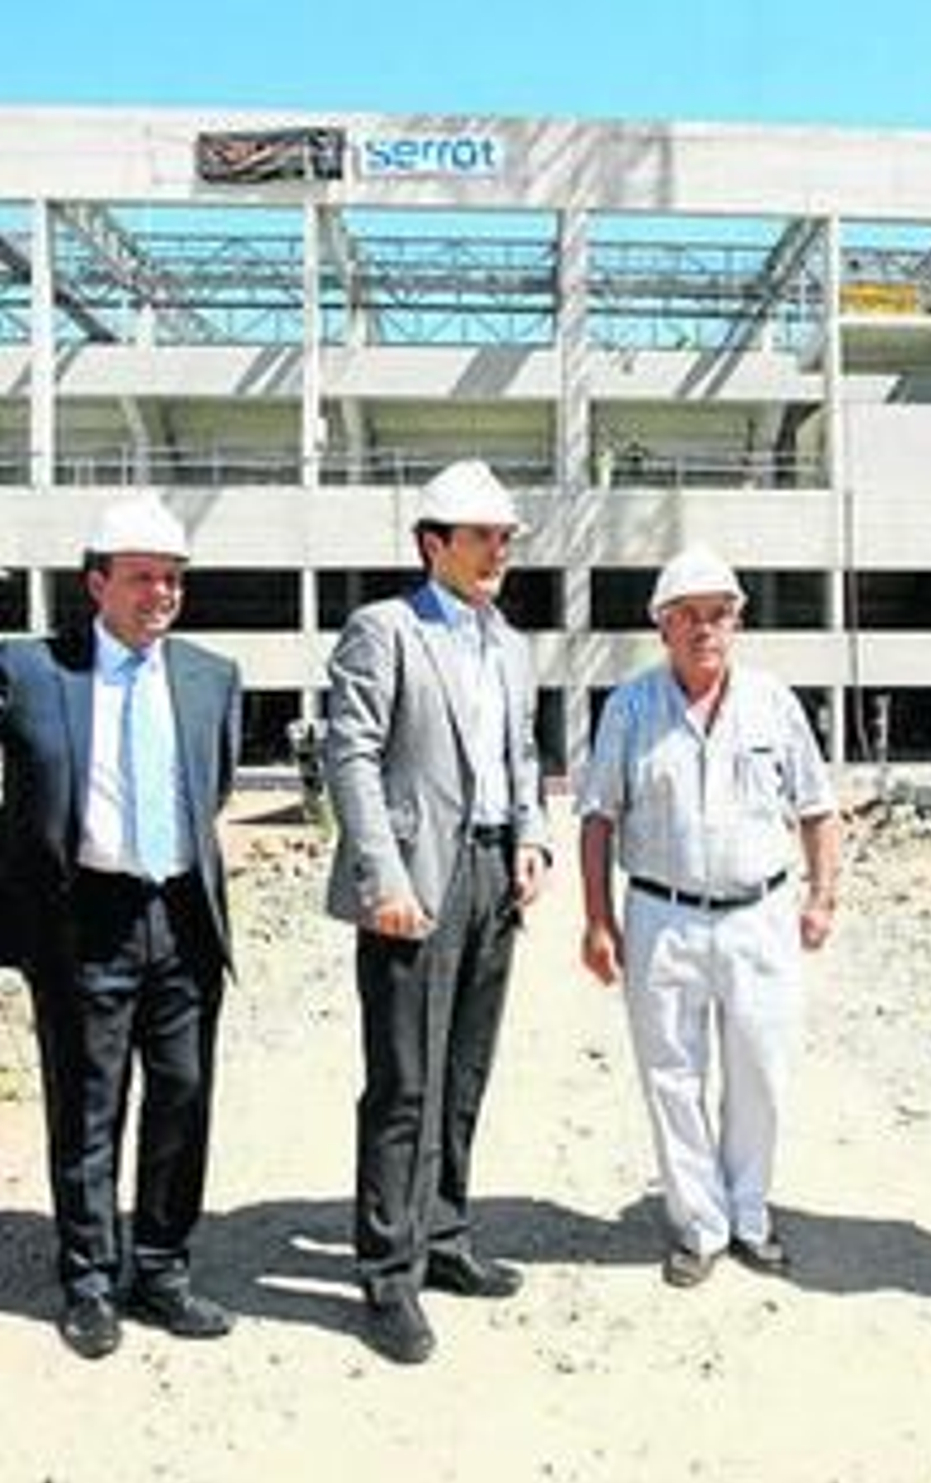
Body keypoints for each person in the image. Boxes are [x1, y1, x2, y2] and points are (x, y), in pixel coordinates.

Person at [0, 494, 241, 1360]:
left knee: (182, 1097)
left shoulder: (212, 677)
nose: (160, 594)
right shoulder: (30, 672)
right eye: (141, 578)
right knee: (89, 1105)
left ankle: (164, 1269)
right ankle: (90, 1282)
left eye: (173, 579)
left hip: (180, 917)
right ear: (95, 582)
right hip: (80, 920)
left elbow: (207, 794)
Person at [325, 459, 550, 1365]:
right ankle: (388, 1274)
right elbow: (353, 756)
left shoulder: (512, 643)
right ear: (433, 545)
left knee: (463, 1074)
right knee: (404, 1084)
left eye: (506, 538)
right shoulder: (384, 631)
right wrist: (382, 878)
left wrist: (529, 837)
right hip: (415, 882)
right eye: (483, 537)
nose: (499, 551)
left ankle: (445, 1235)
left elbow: (523, 754)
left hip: (495, 872)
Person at [577, 546, 841, 1289]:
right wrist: (599, 921)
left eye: (718, 615)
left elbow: (818, 807)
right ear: (662, 627)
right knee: (672, 1075)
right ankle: (700, 1226)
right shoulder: (630, 707)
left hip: (761, 915)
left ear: (737, 623)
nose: (705, 630)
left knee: (761, 1071)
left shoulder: (773, 703)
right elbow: (597, 817)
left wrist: (822, 897)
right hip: (662, 916)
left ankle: (750, 1214)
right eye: (687, 617)